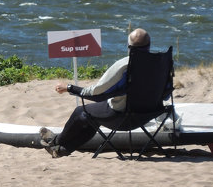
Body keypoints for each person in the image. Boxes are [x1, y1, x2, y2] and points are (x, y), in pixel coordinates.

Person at [39, 28, 151, 157]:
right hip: (149, 114)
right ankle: (61, 150)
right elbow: (165, 93)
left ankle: (55, 141)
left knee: (81, 111)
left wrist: (69, 88)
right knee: (93, 118)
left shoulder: (125, 65)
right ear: (149, 45)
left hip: (124, 117)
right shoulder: (159, 63)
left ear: (129, 46)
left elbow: (97, 92)